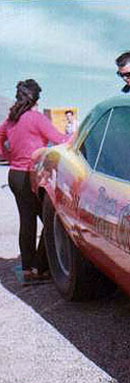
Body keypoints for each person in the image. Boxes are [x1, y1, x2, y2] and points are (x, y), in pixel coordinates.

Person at [0, 79, 70, 282]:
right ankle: (41, 268)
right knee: (50, 220)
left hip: (14, 174)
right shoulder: (35, 118)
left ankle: (28, 269)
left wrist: (7, 154)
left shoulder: (12, 119)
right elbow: (60, 140)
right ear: (36, 98)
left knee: (27, 221)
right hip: (32, 175)